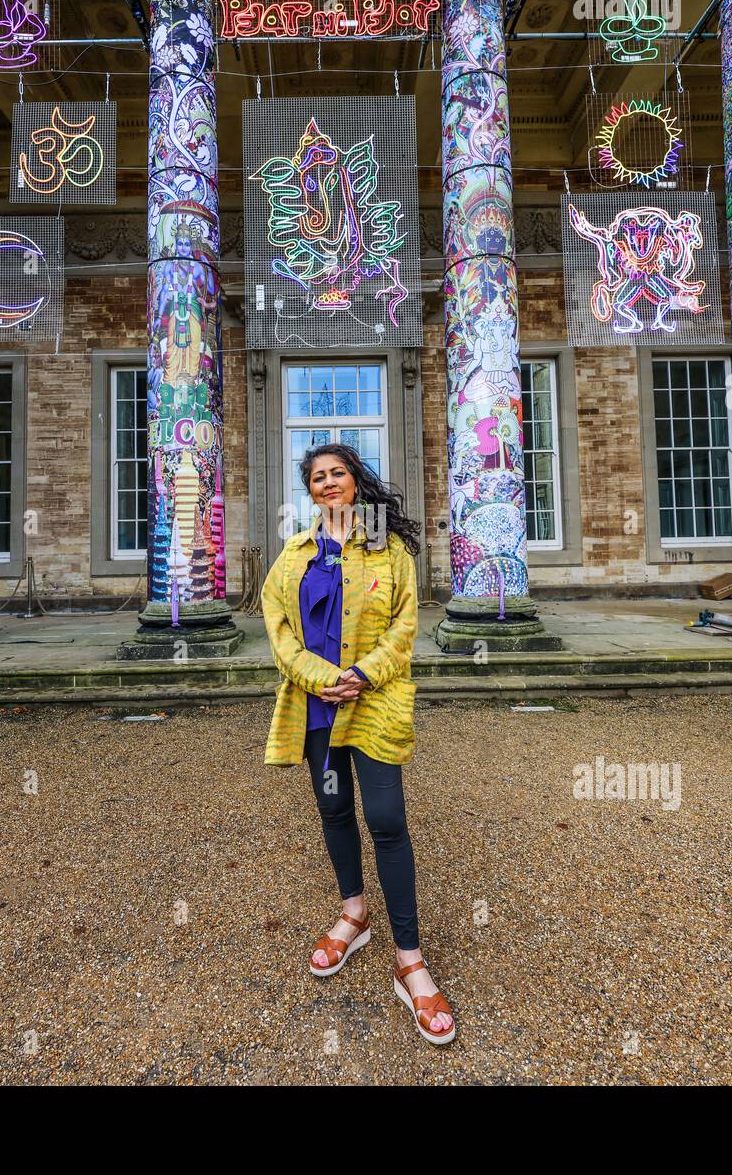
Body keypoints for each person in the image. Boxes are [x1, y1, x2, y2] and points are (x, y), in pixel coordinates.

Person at [260, 443, 455, 1045]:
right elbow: (279, 630)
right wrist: (323, 679)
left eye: (336, 473)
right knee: (333, 808)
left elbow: (405, 625)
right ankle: (353, 914)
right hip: (316, 705)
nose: (327, 483)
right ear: (309, 490)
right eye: (316, 477)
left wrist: (362, 674)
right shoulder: (293, 555)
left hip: (374, 700)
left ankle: (410, 961)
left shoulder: (386, 549)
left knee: (388, 819)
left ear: (355, 480)